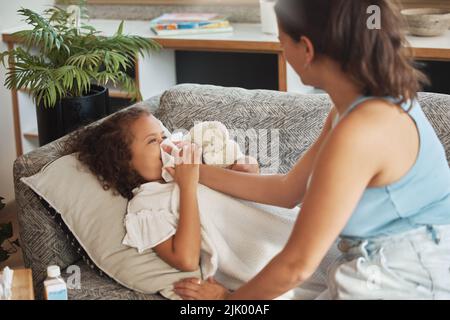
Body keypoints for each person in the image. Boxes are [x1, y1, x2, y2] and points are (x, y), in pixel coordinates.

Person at [172, 0, 450, 300]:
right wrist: (196, 172)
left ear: (306, 49)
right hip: (386, 266)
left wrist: (227, 302)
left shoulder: (362, 131)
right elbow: (288, 190)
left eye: (282, 42)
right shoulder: (356, 108)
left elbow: (296, 265)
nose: (282, 51)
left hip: (410, 281)